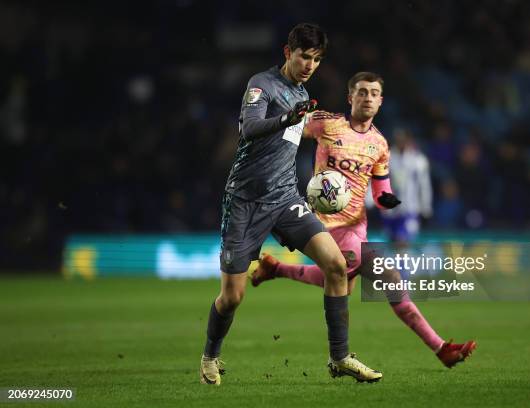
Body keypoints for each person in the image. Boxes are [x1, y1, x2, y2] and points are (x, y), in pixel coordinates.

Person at [251, 71, 476, 368]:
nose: (367, 97)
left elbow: (381, 190)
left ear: (380, 102)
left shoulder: (379, 144)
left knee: (340, 279)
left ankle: (276, 268)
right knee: (390, 278)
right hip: (326, 227)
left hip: (358, 227)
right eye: (362, 92)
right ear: (350, 97)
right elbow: (287, 134)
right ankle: (441, 349)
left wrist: (389, 201)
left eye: (373, 93)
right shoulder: (326, 123)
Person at [200, 24, 382, 386]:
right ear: (288, 52)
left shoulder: (303, 94)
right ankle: (210, 355)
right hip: (246, 202)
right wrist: (289, 117)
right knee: (232, 297)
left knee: (336, 265)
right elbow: (249, 129)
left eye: (316, 59)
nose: (309, 64)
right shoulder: (261, 85)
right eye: (304, 56)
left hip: (285, 198)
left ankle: (340, 357)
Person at [381, 127, 433, 247]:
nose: (401, 142)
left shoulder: (418, 159)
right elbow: (378, 180)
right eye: (398, 139)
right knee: (392, 243)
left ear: (409, 140)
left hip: (410, 207)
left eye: (404, 139)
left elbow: (424, 185)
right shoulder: (387, 158)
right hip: (390, 209)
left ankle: (405, 264)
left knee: (405, 241)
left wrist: (426, 206)